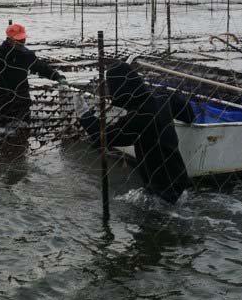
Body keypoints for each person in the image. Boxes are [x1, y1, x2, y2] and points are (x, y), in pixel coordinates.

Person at [73, 61, 193, 204]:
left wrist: (84, 114)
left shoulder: (139, 116)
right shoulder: (160, 96)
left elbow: (105, 138)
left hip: (162, 188)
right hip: (179, 177)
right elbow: (188, 114)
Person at [0, 23, 67, 130]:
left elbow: (41, 67)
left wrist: (57, 77)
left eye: (23, 39)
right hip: (3, 103)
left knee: (23, 134)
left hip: (22, 102)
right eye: (19, 40)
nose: (22, 42)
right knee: (1, 135)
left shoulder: (27, 55)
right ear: (9, 40)